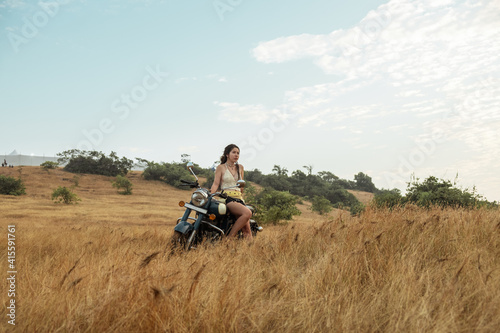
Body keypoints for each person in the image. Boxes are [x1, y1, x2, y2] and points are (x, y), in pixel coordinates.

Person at [210, 144, 253, 240]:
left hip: (239, 199)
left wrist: (240, 193)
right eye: (233, 152)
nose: (236, 155)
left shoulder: (240, 167)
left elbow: (241, 186)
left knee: (247, 231)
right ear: (227, 154)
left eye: (238, 153)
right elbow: (216, 184)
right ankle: (228, 239)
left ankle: (250, 252)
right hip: (227, 198)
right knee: (247, 213)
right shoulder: (221, 167)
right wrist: (210, 193)